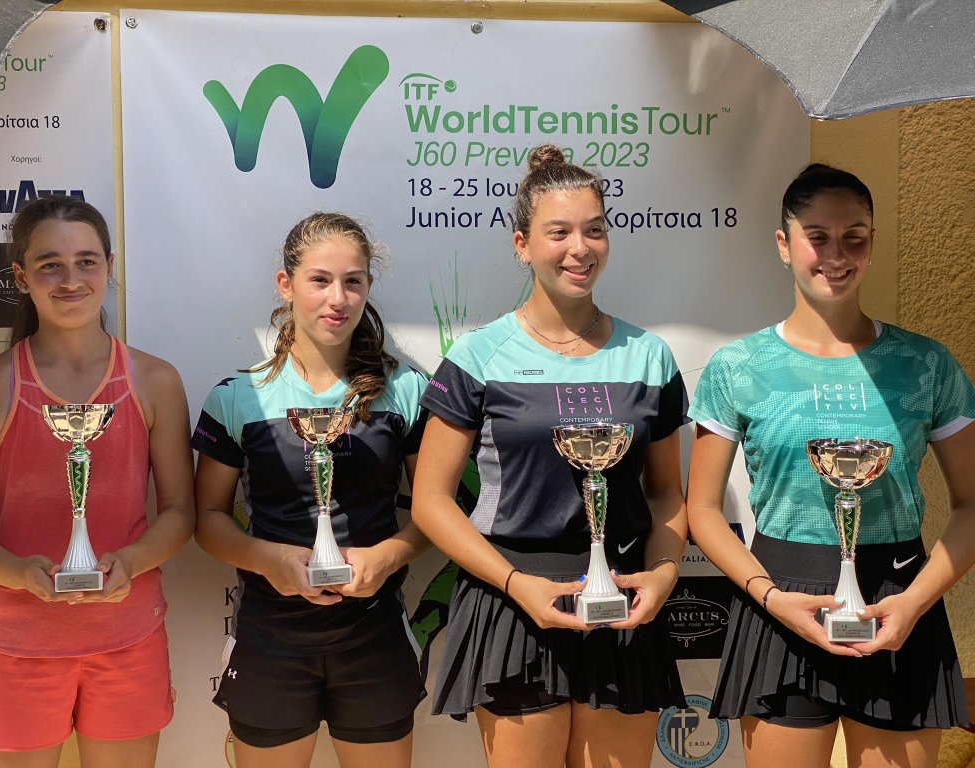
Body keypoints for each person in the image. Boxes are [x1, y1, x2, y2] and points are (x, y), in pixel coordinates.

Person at [686, 163, 975, 768]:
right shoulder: (739, 366)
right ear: (783, 243)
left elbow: (973, 505)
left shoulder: (925, 364)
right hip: (779, 603)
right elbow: (703, 511)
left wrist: (915, 602)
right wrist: (769, 596)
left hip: (898, 603)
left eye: (854, 237)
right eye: (817, 236)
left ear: (873, 241)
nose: (836, 255)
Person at [412, 145, 688, 768]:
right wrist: (515, 583)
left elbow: (667, 493)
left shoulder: (650, 356)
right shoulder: (478, 356)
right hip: (512, 598)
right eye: (558, 232)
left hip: (622, 602)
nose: (579, 249)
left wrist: (663, 574)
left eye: (595, 230)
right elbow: (430, 501)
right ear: (522, 245)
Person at [0, 195, 195, 767]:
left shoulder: (155, 380)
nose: (70, 279)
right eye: (50, 265)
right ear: (21, 277)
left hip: (127, 635)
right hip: (16, 642)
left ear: (109, 267)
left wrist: (130, 562)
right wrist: (19, 573)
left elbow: (180, 512)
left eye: (86, 261)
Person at [193, 212, 429, 768]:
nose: (338, 298)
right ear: (286, 284)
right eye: (320, 280)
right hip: (270, 639)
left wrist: (387, 557)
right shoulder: (239, 395)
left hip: (373, 634)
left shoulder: (406, 389)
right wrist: (269, 560)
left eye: (353, 281)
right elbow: (207, 518)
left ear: (368, 286)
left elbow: (435, 512)